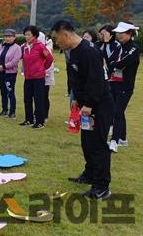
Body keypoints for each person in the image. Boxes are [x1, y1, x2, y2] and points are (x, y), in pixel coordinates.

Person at [52, 20, 113, 200]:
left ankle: (102, 186)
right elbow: (77, 80)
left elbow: (97, 81)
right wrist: (77, 100)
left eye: (57, 39)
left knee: (98, 145)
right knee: (87, 142)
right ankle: (90, 174)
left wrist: (89, 104)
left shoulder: (89, 51)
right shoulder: (73, 52)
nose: (56, 43)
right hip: (85, 104)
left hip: (99, 105)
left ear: (65, 34)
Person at [107, 22, 140, 153]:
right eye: (118, 32)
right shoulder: (119, 47)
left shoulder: (133, 48)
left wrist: (115, 64)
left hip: (125, 86)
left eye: (122, 32)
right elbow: (110, 63)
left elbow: (120, 64)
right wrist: (115, 64)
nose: (119, 35)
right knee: (118, 111)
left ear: (130, 33)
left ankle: (114, 141)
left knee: (117, 112)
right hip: (114, 83)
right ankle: (122, 138)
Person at [20, 26, 54, 129]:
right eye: (25, 34)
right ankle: (29, 119)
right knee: (27, 99)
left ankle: (40, 122)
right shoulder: (24, 47)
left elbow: (49, 58)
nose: (26, 37)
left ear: (34, 35)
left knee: (39, 99)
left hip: (38, 77)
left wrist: (42, 68)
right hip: (28, 77)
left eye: (28, 34)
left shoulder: (40, 46)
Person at [0, 29, 21, 119]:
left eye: (9, 36)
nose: (7, 38)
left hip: (10, 74)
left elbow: (15, 61)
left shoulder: (17, 48)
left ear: (14, 37)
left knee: (10, 92)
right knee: (3, 92)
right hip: (0, 73)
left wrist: (4, 66)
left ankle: (12, 112)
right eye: (6, 36)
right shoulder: (2, 45)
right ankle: (4, 110)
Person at [40, 32, 55, 123]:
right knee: (38, 96)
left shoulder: (46, 50)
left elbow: (50, 62)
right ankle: (38, 112)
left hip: (45, 77)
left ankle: (45, 114)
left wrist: (44, 72)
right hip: (37, 76)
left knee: (44, 96)